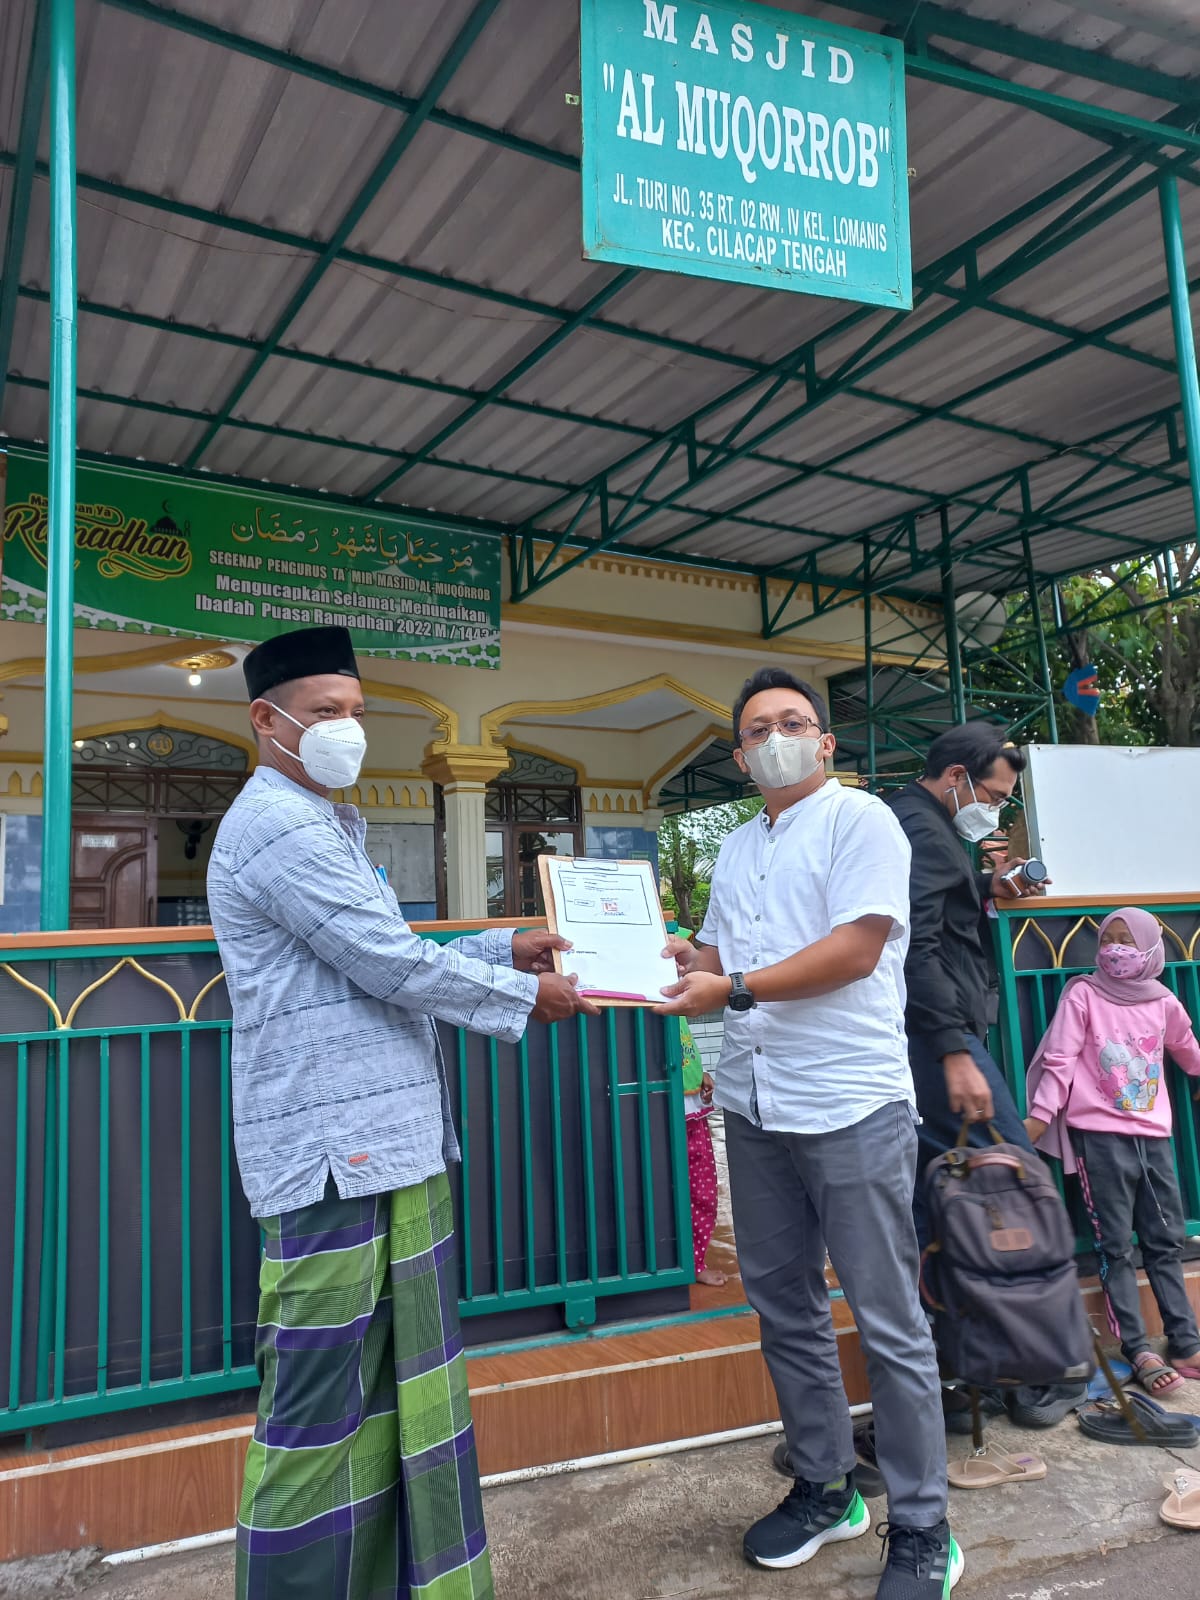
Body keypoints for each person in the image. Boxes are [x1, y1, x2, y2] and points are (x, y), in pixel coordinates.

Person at [207, 625, 597, 1600]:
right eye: (326, 712)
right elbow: (388, 964)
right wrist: (522, 997)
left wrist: (506, 947)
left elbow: (383, 946)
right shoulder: (279, 826)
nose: (348, 729)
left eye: (356, 712)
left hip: (385, 1147)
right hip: (333, 1152)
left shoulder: (326, 821)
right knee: (314, 1414)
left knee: (398, 1401)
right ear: (267, 719)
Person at [657, 667, 961, 1599]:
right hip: (756, 1100)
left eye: (796, 722)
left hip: (850, 1102)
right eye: (760, 728)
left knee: (887, 1319)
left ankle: (923, 1526)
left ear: (825, 744)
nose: (778, 736)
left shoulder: (860, 821)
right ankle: (826, 1487)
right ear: (741, 755)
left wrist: (732, 988)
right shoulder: (743, 844)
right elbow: (717, 955)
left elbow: (857, 948)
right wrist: (667, 954)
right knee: (782, 1304)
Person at [888, 723, 1084, 1433]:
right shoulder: (920, 829)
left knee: (936, 1201)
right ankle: (1032, 1369)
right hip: (938, 1041)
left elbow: (938, 909)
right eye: (994, 795)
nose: (994, 810)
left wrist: (988, 883)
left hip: (929, 1039)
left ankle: (964, 1362)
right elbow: (915, 942)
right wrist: (954, 1050)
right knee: (1015, 1176)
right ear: (956, 778)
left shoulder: (922, 826)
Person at [1025, 908, 1200, 1395]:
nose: (1115, 949)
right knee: (1115, 1246)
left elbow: (1185, 1043)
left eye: (1126, 940)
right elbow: (1060, 1057)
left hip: (1154, 1137)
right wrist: (1041, 1115)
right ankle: (1139, 1347)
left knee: (1166, 1241)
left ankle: (1185, 1342)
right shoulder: (1084, 994)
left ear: (1148, 948)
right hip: (1099, 1139)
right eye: (1109, 939)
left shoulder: (1163, 1000)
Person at [681, 1016, 724, 1286]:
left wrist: (700, 1072)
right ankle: (683, 1260)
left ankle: (695, 1260)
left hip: (691, 1104)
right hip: (663, 1104)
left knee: (702, 1191)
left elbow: (683, 1042)